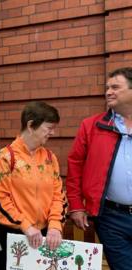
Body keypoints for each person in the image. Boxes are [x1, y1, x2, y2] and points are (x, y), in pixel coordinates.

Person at [66, 67, 132, 270]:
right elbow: (75, 165)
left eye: (115, 87)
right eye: (107, 87)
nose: (108, 92)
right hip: (111, 218)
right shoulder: (91, 126)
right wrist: (76, 205)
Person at [0, 101, 65, 270]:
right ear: (31, 126)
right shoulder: (6, 157)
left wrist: (55, 226)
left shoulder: (49, 157)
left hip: (46, 233)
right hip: (16, 234)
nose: (52, 133)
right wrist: (26, 226)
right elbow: (0, 200)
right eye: (49, 128)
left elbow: (58, 195)